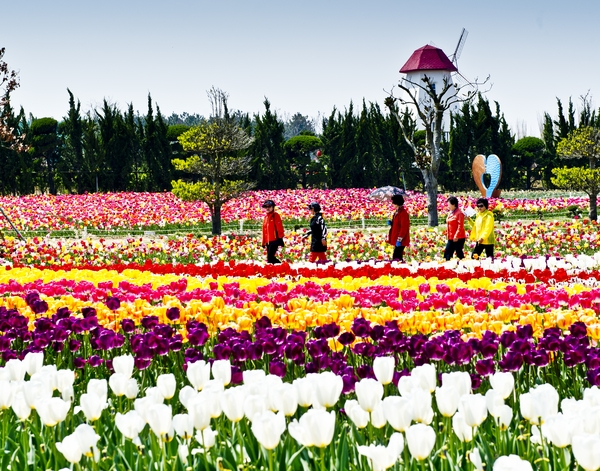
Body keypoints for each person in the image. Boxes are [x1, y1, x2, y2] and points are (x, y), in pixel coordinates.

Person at [387, 194, 410, 262]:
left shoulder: (403, 213)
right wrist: (391, 223)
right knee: (398, 257)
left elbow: (404, 227)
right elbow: (397, 224)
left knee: (396, 257)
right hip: (397, 237)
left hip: (401, 239)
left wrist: (399, 239)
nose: (392, 204)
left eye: (393, 202)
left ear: (397, 203)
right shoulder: (397, 212)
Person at [261, 199, 285, 264]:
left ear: (273, 207)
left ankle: (282, 267)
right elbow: (264, 231)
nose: (268, 208)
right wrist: (263, 242)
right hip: (268, 241)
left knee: (270, 258)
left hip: (275, 240)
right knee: (270, 258)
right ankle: (278, 268)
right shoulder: (266, 217)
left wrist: (280, 238)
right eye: (266, 207)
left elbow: (279, 227)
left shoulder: (275, 215)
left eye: (269, 207)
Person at [444, 196, 466, 260]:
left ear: (453, 204)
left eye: (449, 204)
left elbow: (460, 226)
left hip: (458, 237)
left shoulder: (459, 213)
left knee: (459, 253)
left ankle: (464, 266)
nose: (448, 206)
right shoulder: (451, 212)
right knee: (447, 253)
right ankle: (447, 267)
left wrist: (456, 235)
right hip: (451, 237)